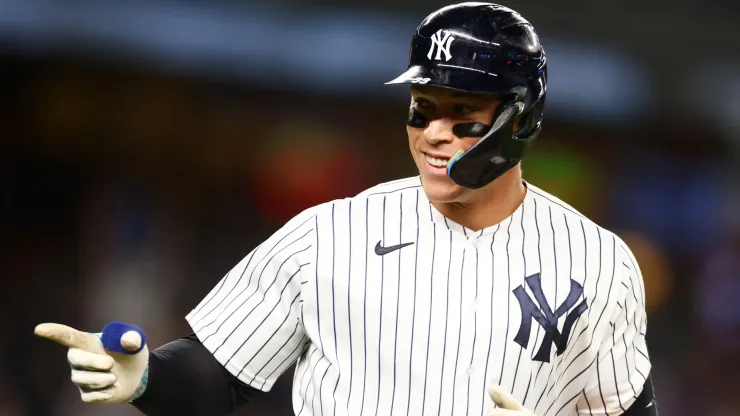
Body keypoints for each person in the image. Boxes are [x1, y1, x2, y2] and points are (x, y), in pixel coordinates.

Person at [34, 3, 658, 415]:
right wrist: (148, 377)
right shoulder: (330, 233)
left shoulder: (599, 263)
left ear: (520, 121)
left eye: (462, 115)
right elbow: (218, 373)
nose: (434, 133)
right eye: (422, 109)